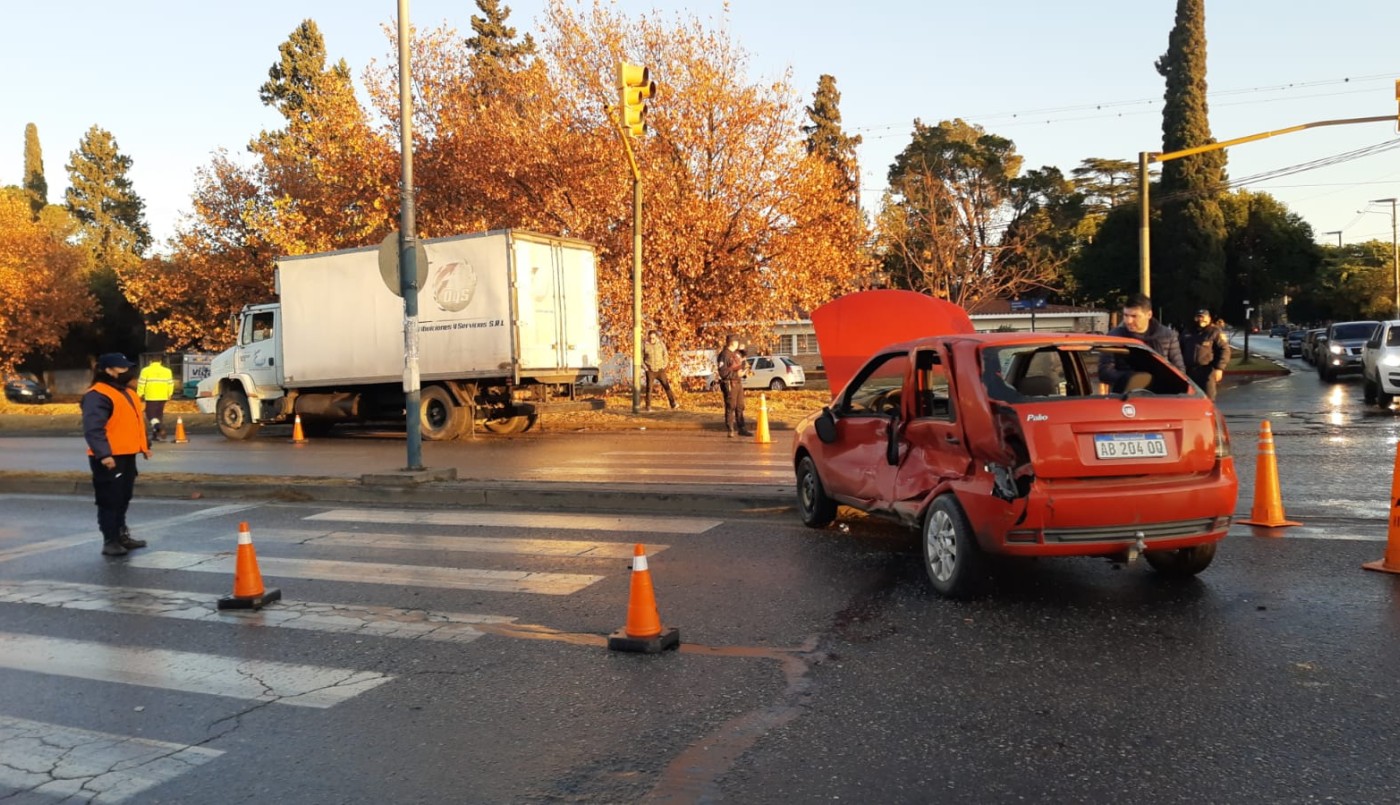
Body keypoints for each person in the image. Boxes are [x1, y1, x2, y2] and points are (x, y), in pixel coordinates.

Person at [82, 353, 152, 556]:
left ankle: (122, 535)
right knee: (109, 500)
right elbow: (94, 428)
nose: (126, 371)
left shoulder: (127, 392)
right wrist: (104, 455)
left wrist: (144, 445)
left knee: (123, 497)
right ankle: (110, 540)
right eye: (121, 368)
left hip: (127, 455)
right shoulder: (97, 394)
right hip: (109, 458)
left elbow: (135, 421)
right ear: (108, 370)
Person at [1099, 293, 1186, 391]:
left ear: (1148, 315)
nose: (1128, 321)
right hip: (1124, 397)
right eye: (1126, 315)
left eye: (1134, 316)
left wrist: (1156, 379)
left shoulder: (1167, 336)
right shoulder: (1114, 336)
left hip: (1160, 397)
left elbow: (1179, 371)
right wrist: (1132, 378)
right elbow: (1104, 372)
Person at [1179, 308, 1232, 400]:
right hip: (1189, 372)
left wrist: (1219, 368)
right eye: (1198, 317)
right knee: (1189, 400)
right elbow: (1179, 349)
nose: (1201, 319)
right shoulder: (1187, 332)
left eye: (1203, 317)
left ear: (1209, 318)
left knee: (1208, 399)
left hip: (1206, 371)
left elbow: (1224, 350)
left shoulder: (1214, 332)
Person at [716, 334, 751, 438]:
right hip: (730, 384)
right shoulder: (724, 355)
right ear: (733, 342)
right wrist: (736, 374)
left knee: (740, 406)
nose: (738, 344)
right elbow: (723, 373)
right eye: (737, 342)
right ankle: (730, 429)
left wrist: (745, 372)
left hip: (738, 382)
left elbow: (740, 364)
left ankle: (742, 428)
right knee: (731, 406)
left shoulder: (735, 354)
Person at [136, 355, 176, 442]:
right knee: (158, 415)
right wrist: (170, 393)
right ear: (160, 362)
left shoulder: (145, 370)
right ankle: (155, 434)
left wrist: (139, 394)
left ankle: (158, 427)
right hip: (163, 396)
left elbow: (141, 383)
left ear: (150, 362)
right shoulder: (167, 371)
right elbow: (170, 383)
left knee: (150, 415)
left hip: (151, 396)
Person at [642, 330, 678, 411]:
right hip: (650, 370)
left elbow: (665, 355)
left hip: (660, 370)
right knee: (649, 388)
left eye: (653, 338)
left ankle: (673, 404)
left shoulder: (661, 344)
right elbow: (641, 358)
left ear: (656, 337)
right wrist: (645, 367)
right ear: (648, 337)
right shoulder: (644, 345)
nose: (651, 340)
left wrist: (664, 365)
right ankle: (648, 407)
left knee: (666, 386)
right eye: (650, 338)